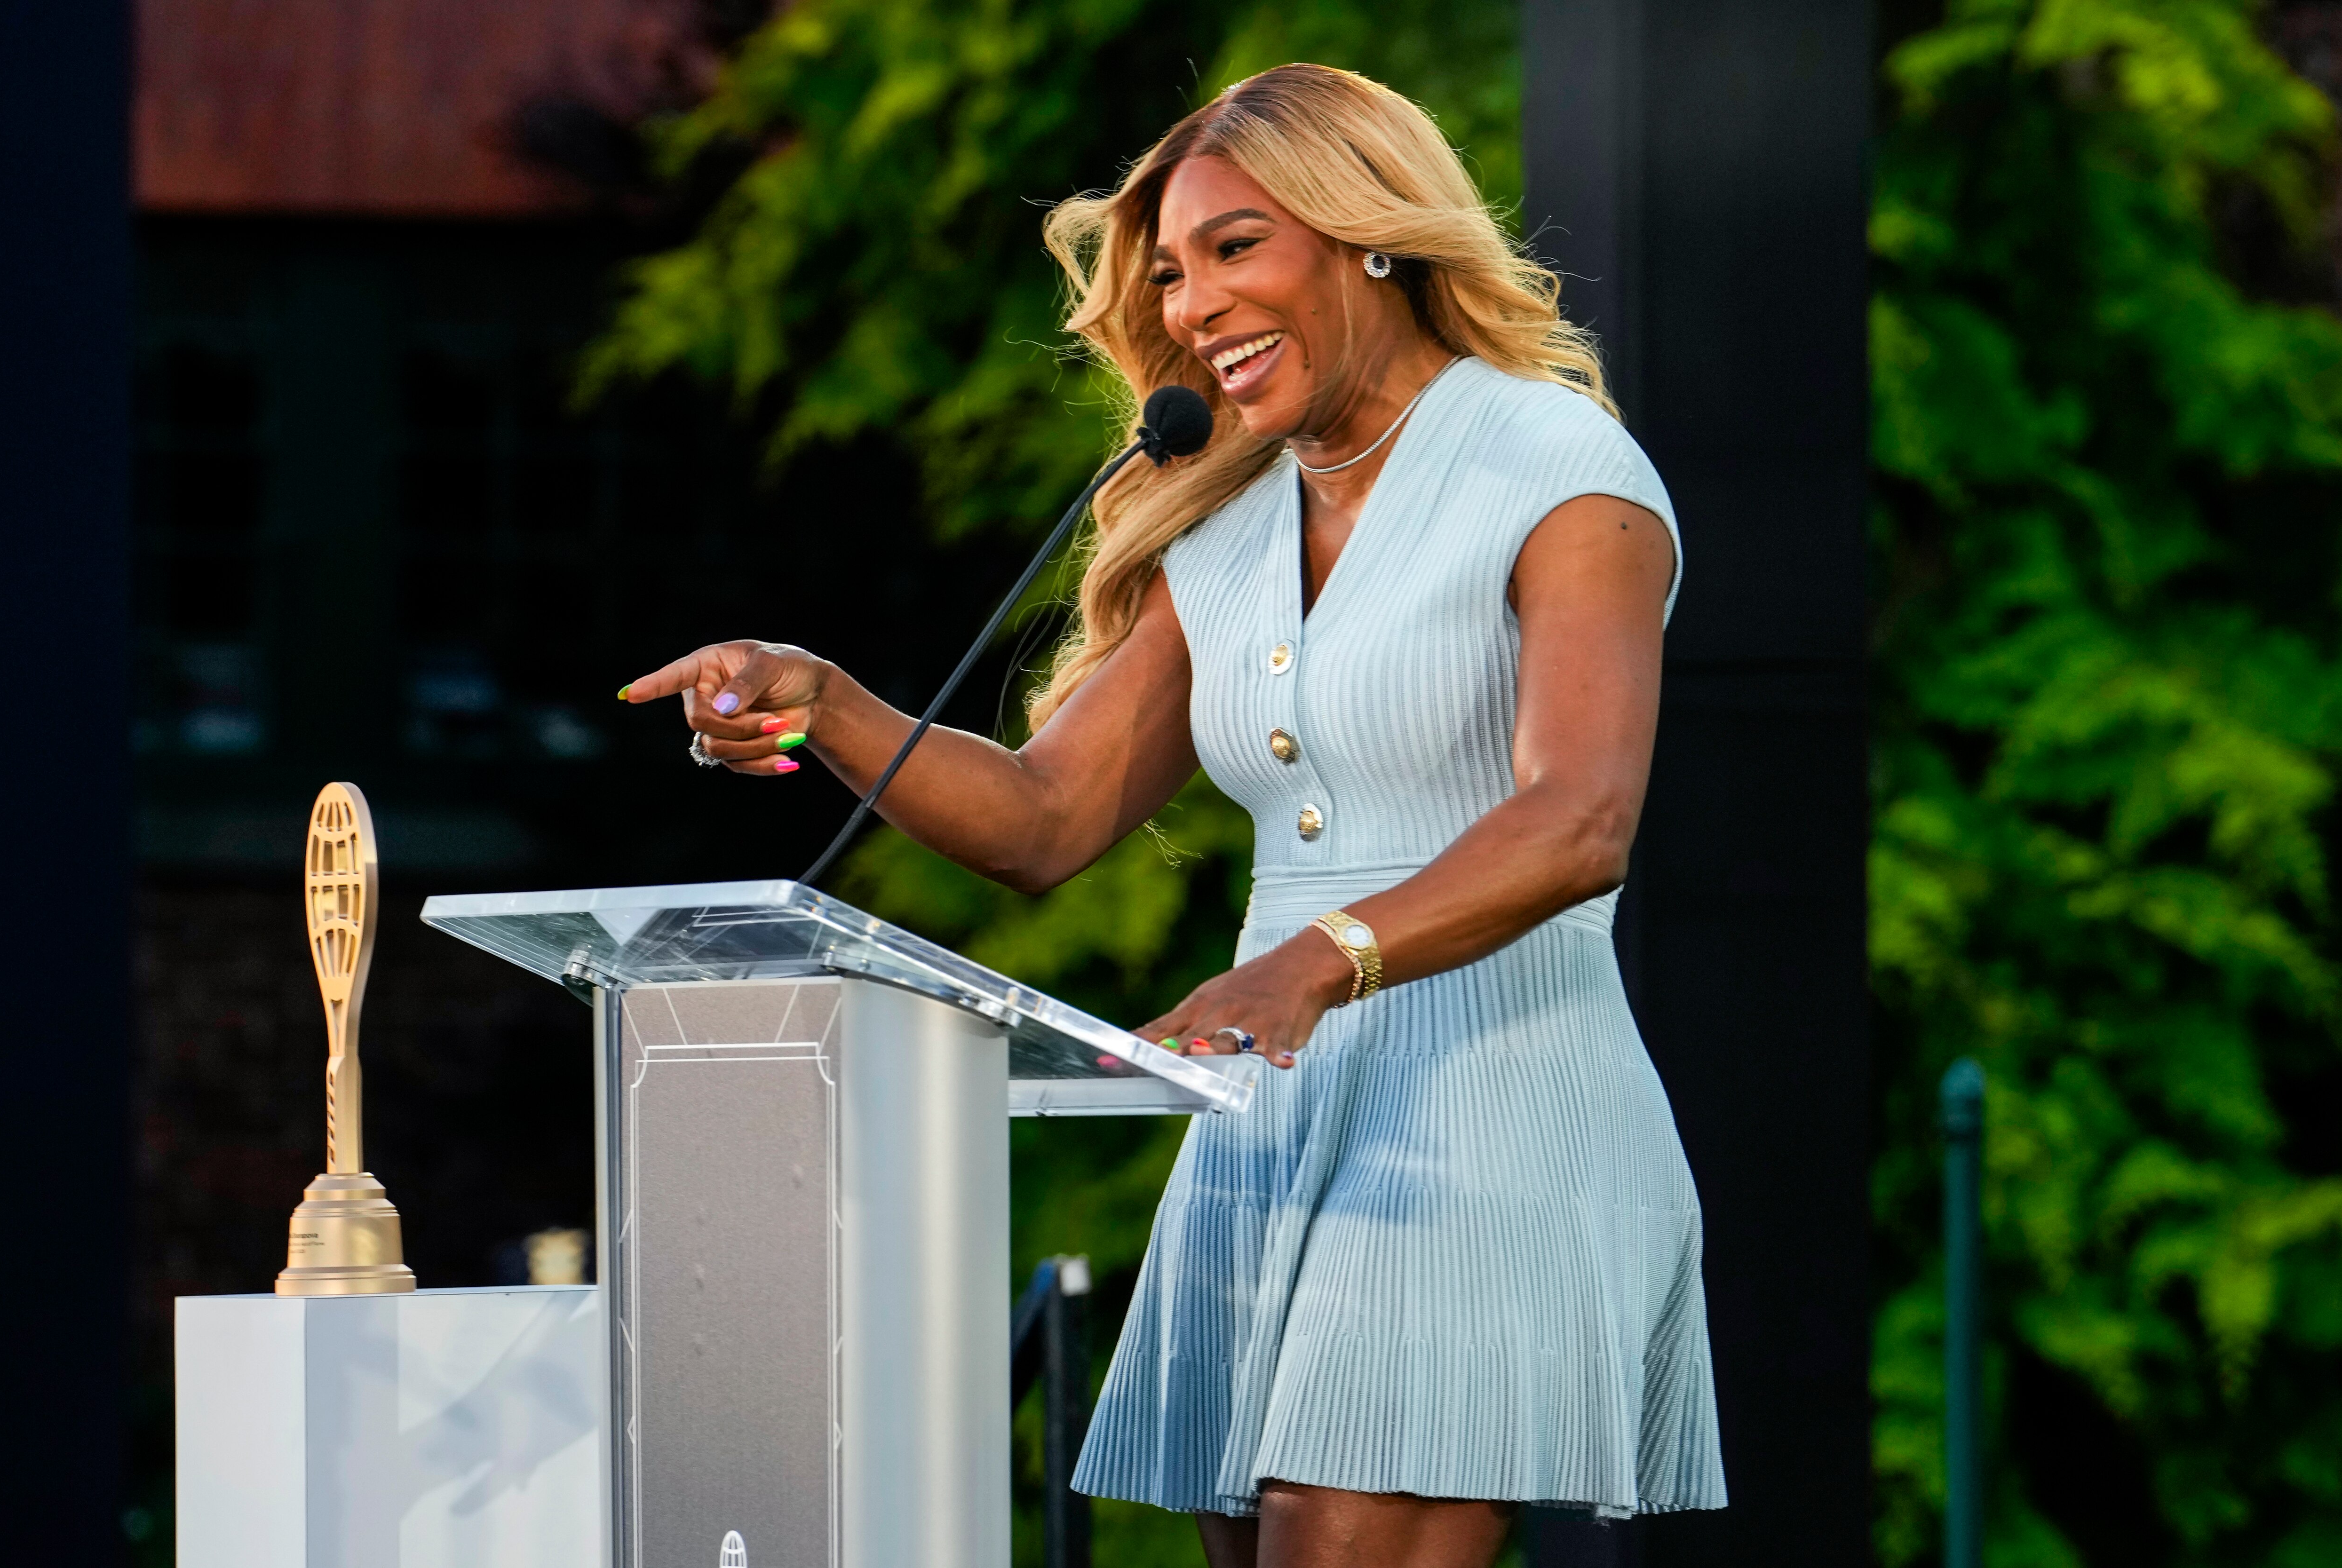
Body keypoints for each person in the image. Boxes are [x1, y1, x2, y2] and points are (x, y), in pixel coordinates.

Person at [621, 61, 1725, 1568]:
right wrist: (828, 702)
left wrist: (1317, 959)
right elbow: (1042, 818)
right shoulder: (1232, 517)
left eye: (1233, 248)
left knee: (1331, 1534)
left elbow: (1582, 817)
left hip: (1492, 1092)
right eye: (1167, 276)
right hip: (1274, 1100)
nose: (1194, 305)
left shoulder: (1556, 466)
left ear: (1369, 235)